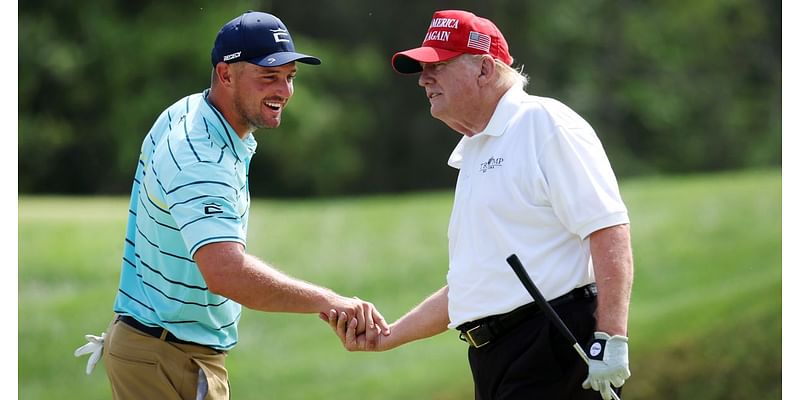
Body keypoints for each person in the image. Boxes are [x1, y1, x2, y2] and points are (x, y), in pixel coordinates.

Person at [73, 11, 389, 400]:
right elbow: (226, 272)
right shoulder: (199, 155)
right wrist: (330, 301)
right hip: (166, 356)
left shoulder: (193, 112)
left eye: (290, 77)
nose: (285, 91)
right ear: (226, 74)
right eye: (268, 76)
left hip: (162, 349)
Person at [324, 9, 633, 400]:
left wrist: (611, 338)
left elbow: (608, 229)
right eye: (423, 69)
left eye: (439, 66)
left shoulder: (544, 124)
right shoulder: (474, 149)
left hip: (554, 342)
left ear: (485, 69)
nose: (423, 80)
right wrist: (388, 337)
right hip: (495, 356)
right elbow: (472, 286)